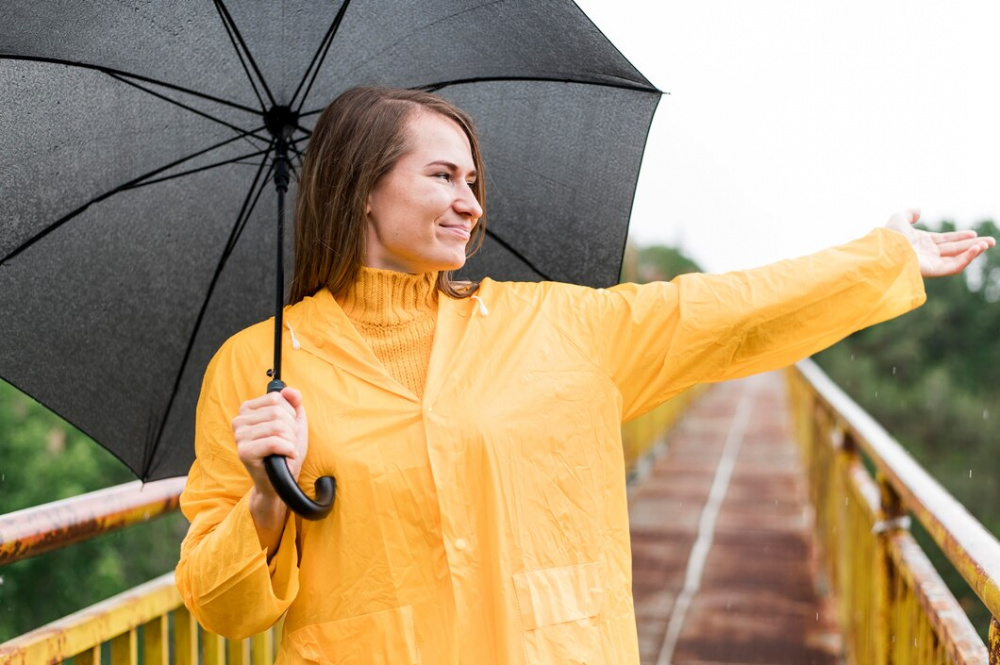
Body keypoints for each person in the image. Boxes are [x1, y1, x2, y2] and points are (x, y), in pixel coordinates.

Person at [175, 86, 994, 665]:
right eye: (441, 176)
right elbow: (221, 607)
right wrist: (261, 499)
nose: (471, 202)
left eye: (473, 181)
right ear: (361, 187)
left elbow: (724, 311)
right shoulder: (260, 367)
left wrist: (879, 259)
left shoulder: (556, 327)